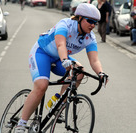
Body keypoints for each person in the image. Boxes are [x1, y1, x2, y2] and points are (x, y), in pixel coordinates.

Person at [15, 3, 109, 133]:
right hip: (42, 53)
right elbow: (60, 45)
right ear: (79, 18)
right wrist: (65, 60)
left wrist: (101, 73)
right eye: (90, 21)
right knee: (42, 85)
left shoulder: (90, 37)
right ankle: (21, 123)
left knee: (80, 71)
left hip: (60, 58)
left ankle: (59, 103)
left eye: (95, 22)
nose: (93, 25)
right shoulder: (65, 24)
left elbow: (94, 60)